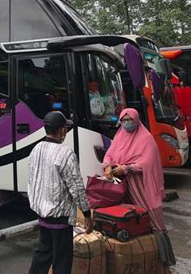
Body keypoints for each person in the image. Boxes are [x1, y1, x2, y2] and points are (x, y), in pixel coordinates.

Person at [103, 108, 175, 270]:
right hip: (123, 186)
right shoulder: (119, 136)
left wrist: (127, 168)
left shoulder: (146, 138)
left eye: (130, 120)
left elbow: (147, 163)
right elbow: (110, 154)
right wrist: (107, 166)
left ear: (137, 120)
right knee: (130, 220)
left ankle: (162, 263)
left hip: (143, 187)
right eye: (124, 120)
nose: (127, 124)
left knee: (152, 218)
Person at [28, 111, 93, 274]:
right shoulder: (65, 153)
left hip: (42, 214)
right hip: (60, 218)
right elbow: (77, 187)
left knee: (44, 253)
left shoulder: (36, 149)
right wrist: (86, 214)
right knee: (62, 261)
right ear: (62, 130)